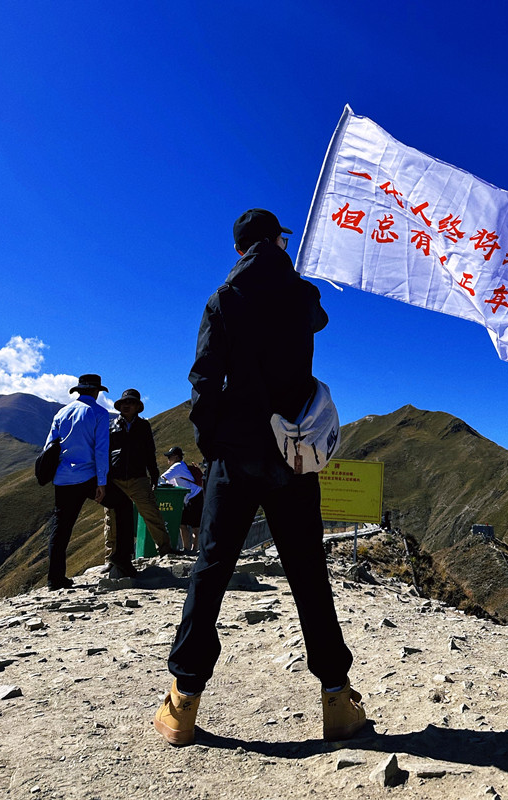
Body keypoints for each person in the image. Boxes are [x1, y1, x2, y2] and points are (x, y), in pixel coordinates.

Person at [154, 208, 365, 746]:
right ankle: (337, 701)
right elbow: (318, 319)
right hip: (294, 455)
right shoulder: (300, 296)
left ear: (238, 248)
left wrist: (213, 443)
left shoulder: (224, 298)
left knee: (213, 568)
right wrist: (294, 275)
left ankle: (182, 703)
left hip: (237, 455)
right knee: (308, 574)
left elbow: (203, 378)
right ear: (276, 240)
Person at [43, 374, 129, 590]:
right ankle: (122, 558)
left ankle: (55, 579)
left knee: (61, 527)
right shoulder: (98, 413)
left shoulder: (61, 413)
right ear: (97, 392)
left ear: (79, 391)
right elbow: (101, 449)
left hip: (63, 479)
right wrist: (101, 482)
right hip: (89, 477)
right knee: (124, 506)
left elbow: (49, 448)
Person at [104, 388, 175, 578]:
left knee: (151, 512)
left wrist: (153, 474)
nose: (127, 405)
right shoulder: (111, 426)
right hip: (115, 479)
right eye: (124, 403)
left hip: (138, 478)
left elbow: (149, 452)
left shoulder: (144, 426)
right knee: (112, 519)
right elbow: (104, 453)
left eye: (131, 403)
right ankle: (111, 559)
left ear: (137, 407)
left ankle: (166, 550)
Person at [159, 446, 203, 553]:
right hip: (188, 497)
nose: (168, 458)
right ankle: (188, 548)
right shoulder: (179, 466)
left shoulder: (177, 466)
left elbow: (162, 478)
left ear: (176, 457)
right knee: (183, 524)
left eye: (170, 456)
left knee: (194, 526)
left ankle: (193, 548)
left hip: (195, 496)